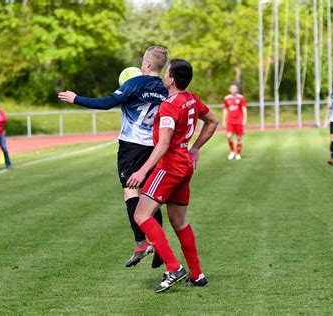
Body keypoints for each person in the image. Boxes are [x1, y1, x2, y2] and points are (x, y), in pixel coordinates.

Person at [59, 46, 169, 268]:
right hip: (154, 148)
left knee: (131, 192)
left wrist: (76, 98)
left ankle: (141, 243)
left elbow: (107, 103)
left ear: (146, 64)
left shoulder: (135, 83)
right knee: (150, 198)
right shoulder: (165, 89)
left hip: (131, 147)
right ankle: (159, 244)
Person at [127, 59, 219, 293]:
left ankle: (174, 267)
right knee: (179, 221)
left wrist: (142, 170)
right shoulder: (192, 99)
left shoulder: (169, 105)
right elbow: (212, 121)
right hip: (185, 164)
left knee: (141, 215)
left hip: (170, 166)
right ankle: (197, 275)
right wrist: (196, 148)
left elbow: (164, 143)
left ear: (171, 79)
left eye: (167, 74)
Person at [222, 84, 247, 160]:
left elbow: (244, 109)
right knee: (229, 136)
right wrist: (223, 120)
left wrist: (245, 119)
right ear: (230, 89)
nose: (233, 90)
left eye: (235, 88)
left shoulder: (241, 98)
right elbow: (225, 109)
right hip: (230, 121)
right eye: (232, 88)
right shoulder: (226, 98)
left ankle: (238, 153)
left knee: (239, 138)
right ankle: (232, 151)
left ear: (237, 90)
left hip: (239, 121)